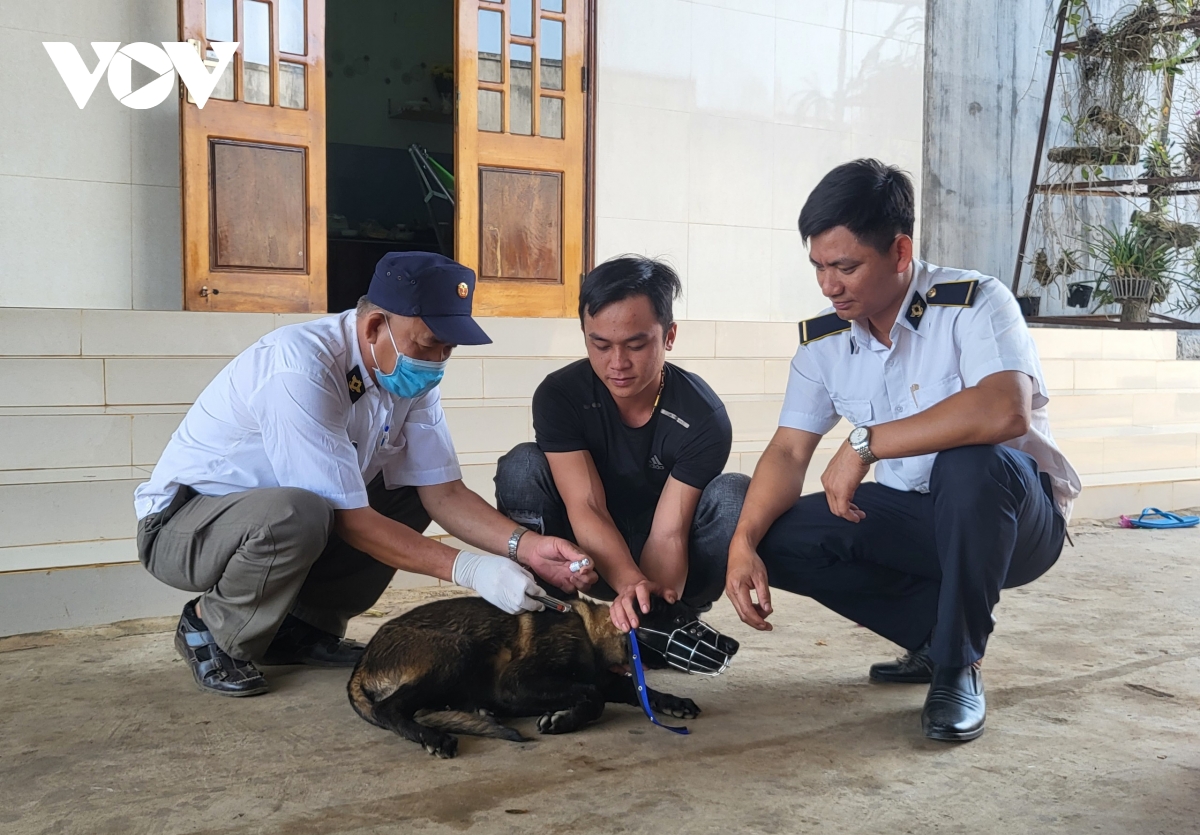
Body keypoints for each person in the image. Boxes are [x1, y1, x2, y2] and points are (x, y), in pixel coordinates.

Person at [725, 160, 1079, 741]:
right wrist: (741, 544)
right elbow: (789, 451)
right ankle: (936, 638)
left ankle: (957, 664)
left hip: (1012, 522)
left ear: (899, 251)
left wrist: (865, 443)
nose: (828, 285)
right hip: (916, 520)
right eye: (818, 267)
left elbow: (1002, 409)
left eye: (846, 267)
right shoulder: (826, 342)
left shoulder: (974, 302)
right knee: (774, 535)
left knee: (969, 461)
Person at [134, 251, 596, 697]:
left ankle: (300, 627)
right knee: (300, 511)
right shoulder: (300, 365)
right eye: (429, 344)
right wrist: (472, 569)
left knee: (405, 490)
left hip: (273, 526)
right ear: (376, 326)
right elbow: (348, 517)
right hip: (186, 527)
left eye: (447, 349)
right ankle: (209, 629)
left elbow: (443, 491)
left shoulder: (405, 374)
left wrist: (526, 547)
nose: (437, 362)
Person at [494, 255, 749, 633]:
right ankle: (554, 621)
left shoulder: (702, 415)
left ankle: (672, 618)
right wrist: (628, 582)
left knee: (736, 494)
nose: (617, 363)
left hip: (670, 558)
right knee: (523, 466)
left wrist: (646, 608)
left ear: (669, 336)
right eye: (599, 344)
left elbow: (669, 532)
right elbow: (586, 505)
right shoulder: (560, 395)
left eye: (635, 345)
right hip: (587, 555)